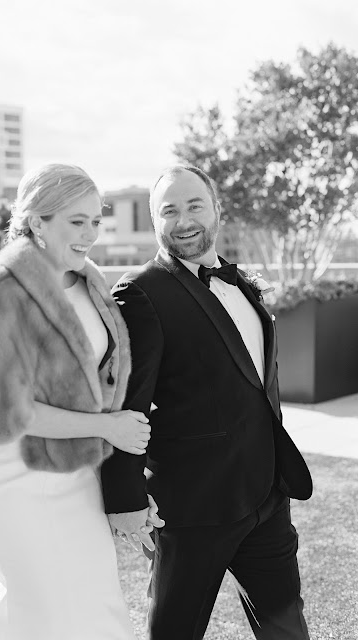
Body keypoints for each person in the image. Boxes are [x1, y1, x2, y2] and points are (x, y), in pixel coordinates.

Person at [0, 163, 161, 640]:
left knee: (83, 609)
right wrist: (108, 427)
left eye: (96, 221)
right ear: (37, 222)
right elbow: (6, 413)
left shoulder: (92, 284)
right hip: (15, 484)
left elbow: (98, 387)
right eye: (77, 221)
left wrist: (122, 485)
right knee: (50, 618)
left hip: (78, 478)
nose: (91, 234)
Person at [101, 164, 313, 639]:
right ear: (154, 221)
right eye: (169, 211)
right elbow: (126, 403)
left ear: (216, 209)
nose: (183, 220)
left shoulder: (242, 284)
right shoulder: (140, 292)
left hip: (266, 495)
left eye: (194, 205)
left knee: (287, 629)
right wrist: (124, 498)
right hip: (192, 508)